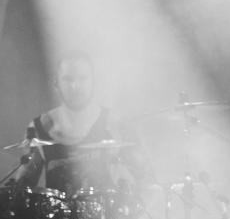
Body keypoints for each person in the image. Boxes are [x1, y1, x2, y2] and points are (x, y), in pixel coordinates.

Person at [13, 51, 147, 195]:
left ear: (94, 81)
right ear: (56, 83)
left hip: (105, 209)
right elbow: (22, 187)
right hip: (56, 210)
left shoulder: (116, 124)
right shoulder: (39, 128)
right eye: (68, 79)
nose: (75, 86)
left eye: (83, 78)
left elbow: (145, 180)